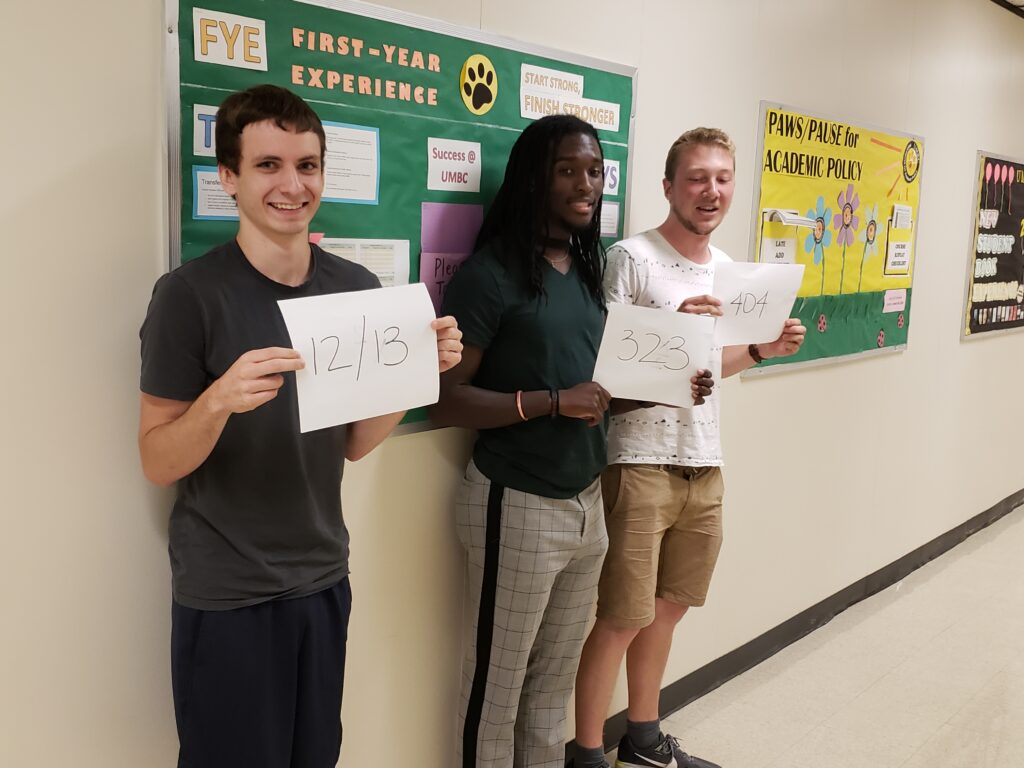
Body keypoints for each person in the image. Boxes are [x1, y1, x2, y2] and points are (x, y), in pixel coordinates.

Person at [138, 84, 462, 768]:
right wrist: (217, 401)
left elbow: (354, 444)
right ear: (227, 177)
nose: (292, 184)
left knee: (315, 757)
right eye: (268, 165)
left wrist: (416, 375)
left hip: (321, 577)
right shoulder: (188, 296)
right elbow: (158, 459)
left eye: (307, 165)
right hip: (228, 592)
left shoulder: (354, 288)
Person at [572, 127, 806, 768]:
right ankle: (587, 753)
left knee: (668, 610)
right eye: (698, 178)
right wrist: (680, 329)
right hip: (639, 460)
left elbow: (708, 368)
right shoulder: (632, 258)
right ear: (669, 186)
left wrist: (760, 349)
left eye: (723, 179)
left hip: (705, 458)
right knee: (620, 616)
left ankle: (642, 739)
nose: (711, 191)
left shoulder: (730, 270)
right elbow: (603, 368)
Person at [430, 114, 619, 768]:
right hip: (516, 504)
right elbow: (446, 398)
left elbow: (596, 387)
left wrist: (679, 378)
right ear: (534, 177)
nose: (586, 184)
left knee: (549, 692)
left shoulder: (588, 268)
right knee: (496, 692)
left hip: (586, 504)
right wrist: (550, 403)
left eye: (594, 170)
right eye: (569, 169)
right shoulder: (491, 275)